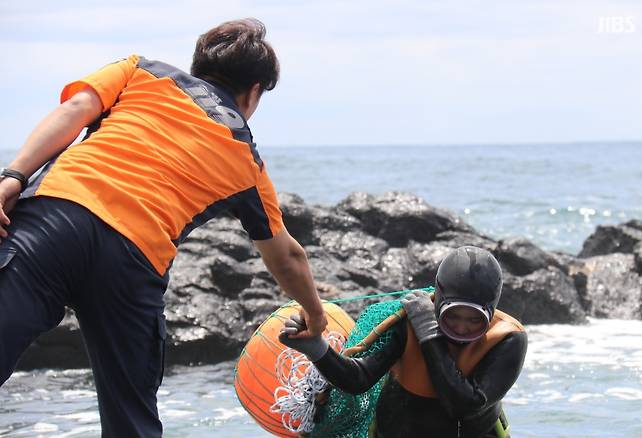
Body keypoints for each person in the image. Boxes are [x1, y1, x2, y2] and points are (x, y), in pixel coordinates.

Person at [0, 18, 327, 437]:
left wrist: (13, 176)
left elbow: (74, 111)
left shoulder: (139, 69)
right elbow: (286, 256)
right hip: (132, 262)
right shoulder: (246, 160)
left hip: (55, 217)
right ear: (255, 92)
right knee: (131, 419)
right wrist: (315, 317)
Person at [280, 246, 528, 438]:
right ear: (439, 300)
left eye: (474, 320)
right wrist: (315, 348)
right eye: (452, 315)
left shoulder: (508, 339)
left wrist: (430, 332)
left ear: (491, 310)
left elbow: (464, 405)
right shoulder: (410, 321)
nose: (461, 328)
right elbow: (358, 379)